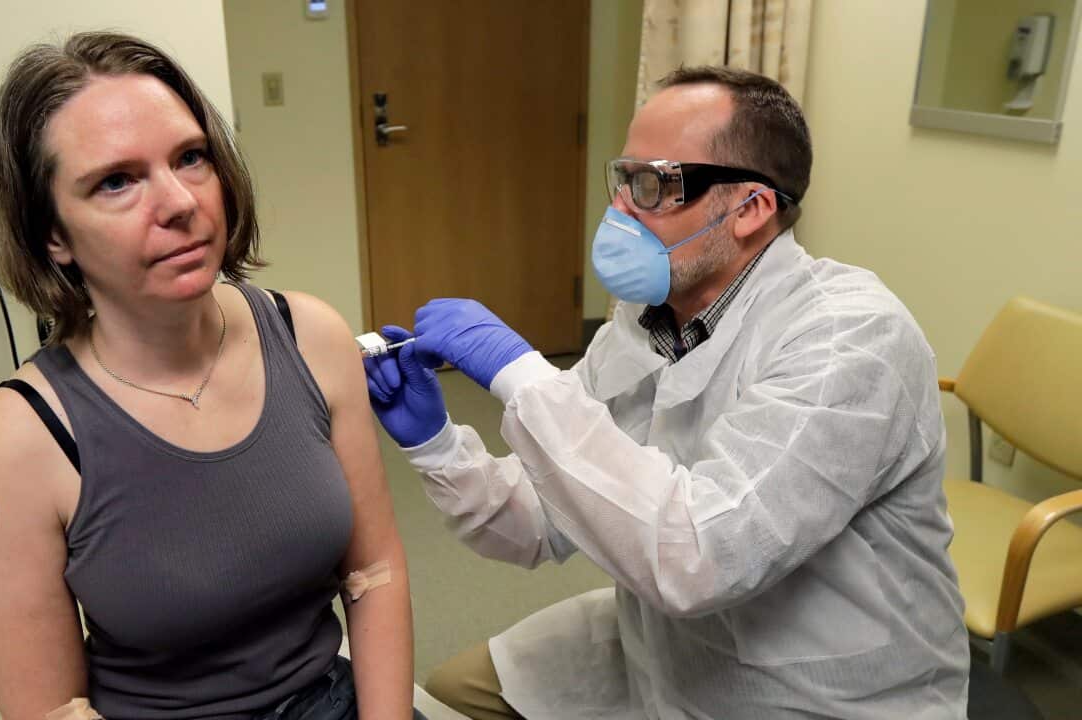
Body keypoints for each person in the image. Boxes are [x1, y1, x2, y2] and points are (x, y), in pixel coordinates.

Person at [364, 66, 969, 719]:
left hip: (818, 689)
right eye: (623, 179)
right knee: (452, 693)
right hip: (667, 645)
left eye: (653, 185)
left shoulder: (849, 339)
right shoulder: (645, 319)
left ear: (751, 208)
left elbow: (700, 556)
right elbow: (542, 520)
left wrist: (521, 375)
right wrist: (438, 445)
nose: (619, 209)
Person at [0, 32, 420, 720]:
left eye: (191, 157)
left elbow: (374, 576)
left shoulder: (310, 337)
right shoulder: (24, 434)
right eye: (116, 181)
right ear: (51, 234)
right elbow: (50, 708)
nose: (180, 202)